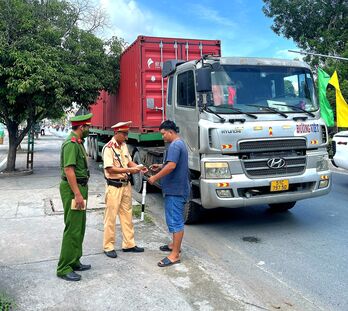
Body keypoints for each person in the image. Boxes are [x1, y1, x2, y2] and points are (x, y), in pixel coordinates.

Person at [102, 121, 147, 258]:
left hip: (126, 185)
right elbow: (110, 168)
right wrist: (129, 170)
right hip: (114, 186)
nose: (127, 137)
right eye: (125, 134)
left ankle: (129, 244)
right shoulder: (108, 148)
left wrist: (138, 167)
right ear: (117, 133)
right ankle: (108, 246)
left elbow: (128, 162)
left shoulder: (123, 146)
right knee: (110, 217)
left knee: (127, 216)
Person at [148, 120, 190, 267]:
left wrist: (155, 177)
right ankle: (174, 245)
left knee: (175, 221)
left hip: (175, 190)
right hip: (177, 189)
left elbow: (172, 166)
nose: (162, 137)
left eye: (163, 133)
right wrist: (160, 165)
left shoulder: (175, 145)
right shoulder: (179, 144)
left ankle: (175, 255)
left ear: (170, 132)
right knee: (174, 219)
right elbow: (172, 163)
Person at [57, 113, 93, 282]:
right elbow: (69, 170)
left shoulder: (78, 142)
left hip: (79, 188)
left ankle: (74, 260)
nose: (89, 129)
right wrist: (77, 194)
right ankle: (64, 267)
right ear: (81, 127)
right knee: (72, 227)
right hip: (73, 190)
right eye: (88, 127)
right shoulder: (71, 144)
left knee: (79, 226)